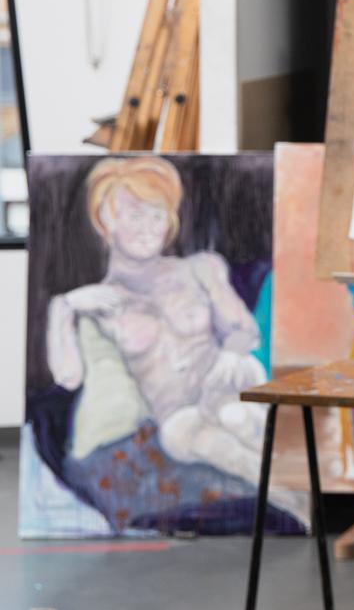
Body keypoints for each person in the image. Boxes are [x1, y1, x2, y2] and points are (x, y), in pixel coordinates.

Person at [45, 156, 306, 525]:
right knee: (190, 437)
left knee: (235, 416)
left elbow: (243, 330)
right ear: (105, 220)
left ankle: (311, 502)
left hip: (227, 384)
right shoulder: (98, 305)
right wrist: (63, 308)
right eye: (135, 215)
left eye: (157, 215)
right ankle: (302, 509)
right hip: (178, 414)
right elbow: (67, 377)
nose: (148, 228)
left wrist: (231, 355)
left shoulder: (198, 268)